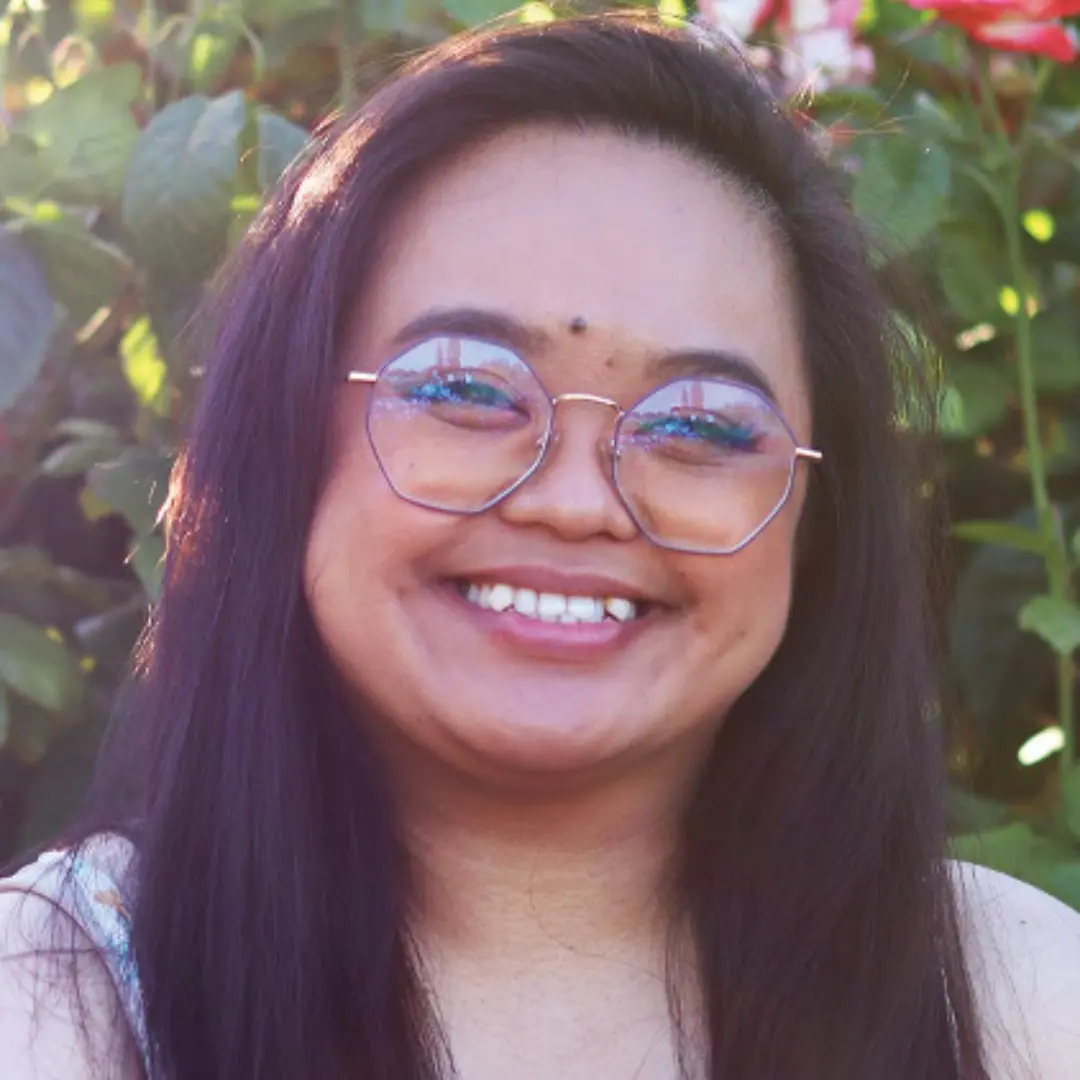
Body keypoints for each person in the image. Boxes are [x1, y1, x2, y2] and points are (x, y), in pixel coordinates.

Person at [1, 11, 1078, 1080]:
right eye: (465, 388)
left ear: (817, 519)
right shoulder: (49, 1004)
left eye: (701, 424)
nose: (573, 502)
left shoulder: (1017, 1000)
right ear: (286, 446)